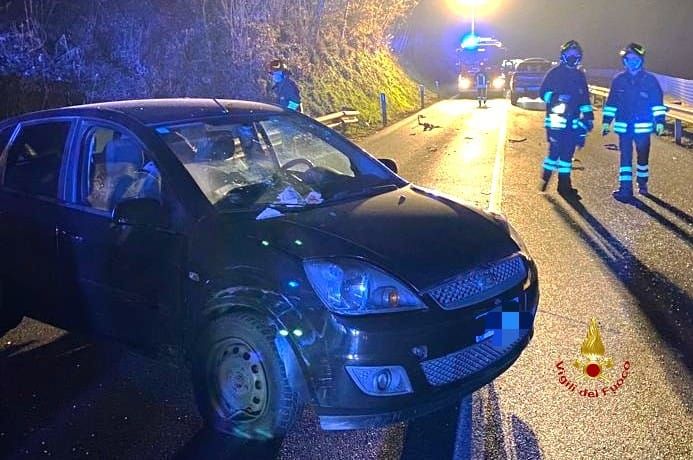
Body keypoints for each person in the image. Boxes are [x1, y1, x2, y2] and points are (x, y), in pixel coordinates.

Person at [601, 43, 666, 200]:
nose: (632, 62)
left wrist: (660, 121)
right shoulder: (619, 80)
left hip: (642, 128)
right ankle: (625, 188)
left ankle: (642, 183)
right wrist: (606, 122)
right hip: (624, 128)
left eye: (635, 59)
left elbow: (657, 103)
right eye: (629, 59)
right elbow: (611, 103)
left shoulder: (649, 80)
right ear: (624, 61)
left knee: (642, 158)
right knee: (625, 158)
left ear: (641, 60)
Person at [538, 40, 594, 198]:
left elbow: (584, 99)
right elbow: (543, 93)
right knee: (555, 152)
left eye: (575, 55)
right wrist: (557, 97)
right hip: (556, 122)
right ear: (563, 56)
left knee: (567, 155)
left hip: (573, 122)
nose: (572, 57)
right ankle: (546, 176)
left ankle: (564, 186)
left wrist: (589, 118)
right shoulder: (554, 73)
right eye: (569, 54)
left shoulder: (579, 76)